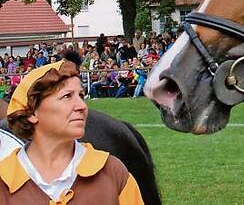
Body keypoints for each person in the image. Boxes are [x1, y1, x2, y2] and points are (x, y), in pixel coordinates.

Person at [1, 60, 143, 203]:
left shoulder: (113, 173)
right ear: (32, 112)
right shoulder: (3, 181)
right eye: (67, 96)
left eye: (81, 95)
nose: (82, 106)